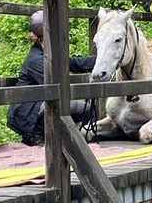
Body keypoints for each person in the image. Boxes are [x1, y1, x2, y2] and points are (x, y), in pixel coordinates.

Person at [6, 10, 96, 146]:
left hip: (36, 106)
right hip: (28, 111)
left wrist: (100, 60)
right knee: (82, 108)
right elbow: (54, 86)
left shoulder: (48, 53)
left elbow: (73, 63)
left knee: (84, 109)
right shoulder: (35, 60)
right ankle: (37, 138)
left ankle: (70, 139)